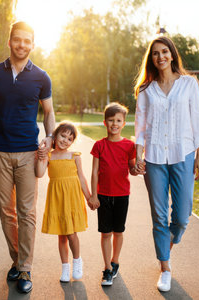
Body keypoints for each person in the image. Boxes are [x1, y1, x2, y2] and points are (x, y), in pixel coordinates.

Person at [0, 21, 55, 294]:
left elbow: (49, 112)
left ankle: (25, 267)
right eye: (17, 40)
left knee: (26, 212)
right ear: (9, 41)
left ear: (32, 44)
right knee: (7, 212)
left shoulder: (41, 77)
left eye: (27, 41)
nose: (22, 45)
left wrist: (50, 138)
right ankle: (17, 260)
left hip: (29, 152)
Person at [133, 36, 199, 292]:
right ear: (151, 59)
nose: (160, 56)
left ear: (172, 55)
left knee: (183, 214)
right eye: (155, 53)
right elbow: (140, 126)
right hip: (153, 157)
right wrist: (138, 154)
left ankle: (166, 244)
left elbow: (197, 121)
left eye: (165, 52)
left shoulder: (188, 84)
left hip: (183, 152)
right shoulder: (145, 90)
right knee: (159, 215)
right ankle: (165, 267)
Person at [35, 122, 91, 283]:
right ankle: (65, 267)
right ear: (55, 135)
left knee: (72, 234)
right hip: (57, 198)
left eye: (69, 138)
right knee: (61, 236)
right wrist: (41, 155)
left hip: (72, 198)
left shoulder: (75, 156)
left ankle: (77, 261)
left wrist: (89, 197)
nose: (65, 140)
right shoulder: (49, 155)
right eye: (63, 135)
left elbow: (81, 178)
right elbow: (39, 173)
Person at [88, 102, 137, 286]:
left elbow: (132, 170)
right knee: (106, 233)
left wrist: (138, 168)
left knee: (119, 231)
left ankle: (115, 262)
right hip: (103, 195)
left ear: (124, 123)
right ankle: (107, 268)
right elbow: (94, 172)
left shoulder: (129, 146)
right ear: (105, 122)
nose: (114, 124)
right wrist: (94, 195)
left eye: (118, 120)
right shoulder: (99, 145)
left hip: (122, 195)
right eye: (111, 120)